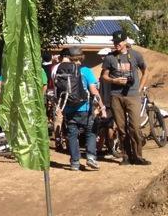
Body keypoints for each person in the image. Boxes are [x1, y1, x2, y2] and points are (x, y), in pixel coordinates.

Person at [102, 30, 149, 166]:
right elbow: (104, 75)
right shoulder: (110, 57)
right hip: (116, 96)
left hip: (133, 95)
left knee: (135, 126)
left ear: (124, 42)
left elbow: (146, 72)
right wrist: (115, 81)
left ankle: (138, 156)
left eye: (118, 42)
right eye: (114, 42)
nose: (116, 44)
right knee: (121, 128)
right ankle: (126, 156)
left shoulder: (135, 55)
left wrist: (139, 89)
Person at [56, 46, 103, 171]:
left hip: (69, 109)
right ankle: (91, 157)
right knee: (90, 132)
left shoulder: (62, 70)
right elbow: (93, 90)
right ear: (82, 57)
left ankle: (75, 163)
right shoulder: (86, 71)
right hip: (85, 108)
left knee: (72, 135)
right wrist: (102, 106)